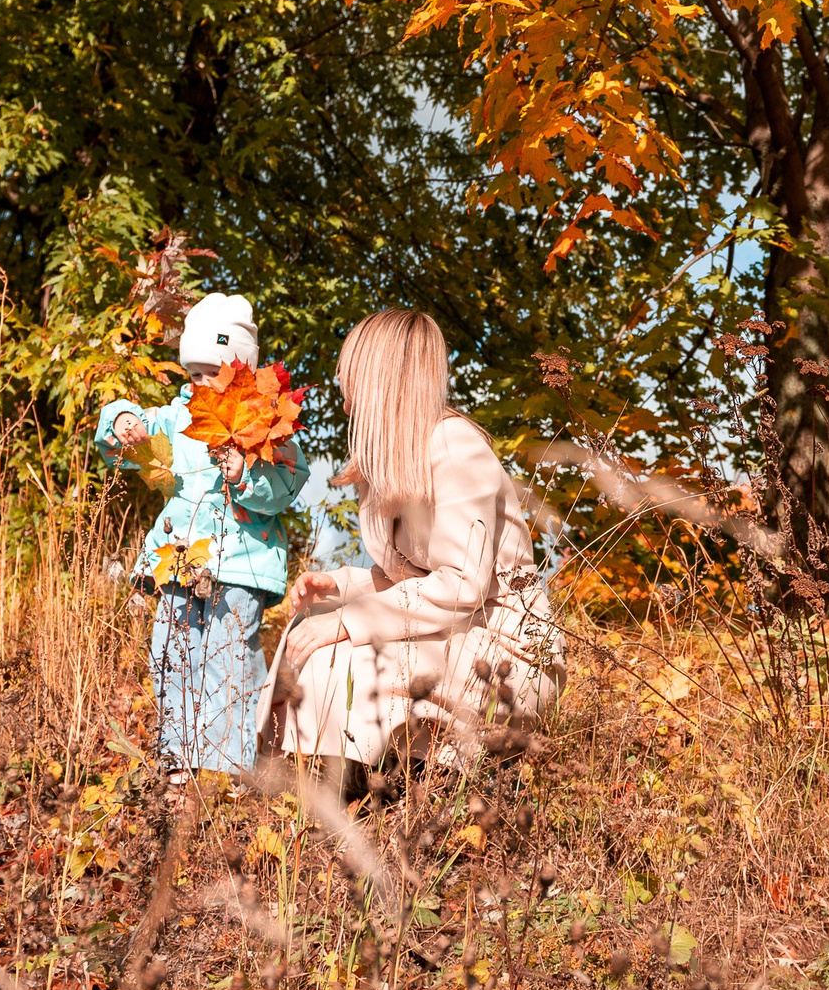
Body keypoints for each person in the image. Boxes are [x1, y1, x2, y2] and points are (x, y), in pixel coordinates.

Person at [267, 308, 560, 794]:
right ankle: (342, 793)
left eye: (350, 366)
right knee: (307, 648)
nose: (340, 383)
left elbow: (462, 585)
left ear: (378, 375)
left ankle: (424, 793)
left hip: (506, 650)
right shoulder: (390, 463)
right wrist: (343, 585)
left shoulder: (454, 446)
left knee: (341, 658)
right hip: (455, 630)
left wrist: (346, 621)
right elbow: (414, 581)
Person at [96, 293, 305, 779]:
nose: (202, 385)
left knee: (225, 662)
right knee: (172, 656)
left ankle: (226, 773)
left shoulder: (267, 425)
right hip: (180, 561)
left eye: (215, 372)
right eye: (194, 374)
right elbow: (128, 441)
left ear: (243, 372)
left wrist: (244, 475)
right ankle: (176, 762)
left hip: (240, 567)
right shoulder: (178, 418)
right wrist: (122, 422)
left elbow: (285, 487)